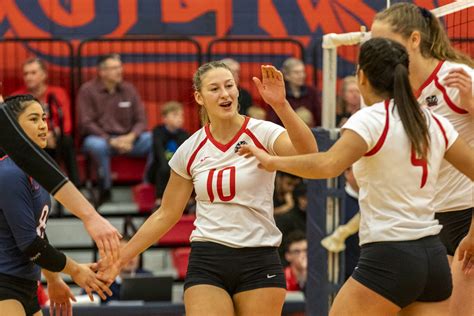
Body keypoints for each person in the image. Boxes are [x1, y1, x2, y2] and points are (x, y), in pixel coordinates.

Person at [239, 38, 474, 316]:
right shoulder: (433, 121)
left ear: (362, 76)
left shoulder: (370, 119)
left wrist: (271, 161)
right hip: (433, 259)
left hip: (389, 254)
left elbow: (328, 165)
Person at [97, 62, 317, 316]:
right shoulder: (189, 149)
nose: (225, 94)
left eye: (229, 86)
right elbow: (166, 214)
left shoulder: (262, 132)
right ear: (199, 98)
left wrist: (280, 105)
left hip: (259, 257)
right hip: (208, 257)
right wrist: (121, 258)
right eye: (215, 88)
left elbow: (309, 153)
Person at [370, 4, 473, 315]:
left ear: (414, 40)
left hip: (464, 216)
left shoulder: (458, 79)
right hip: (421, 222)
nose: (378, 50)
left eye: (385, 42)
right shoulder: (396, 91)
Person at [0, 95, 112, 316]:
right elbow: (30, 244)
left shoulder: (36, 172)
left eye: (44, 118)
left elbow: (38, 233)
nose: (43, 126)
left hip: (26, 283)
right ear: (11, 127)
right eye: (33, 119)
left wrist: (54, 278)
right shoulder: (10, 173)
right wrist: (75, 270)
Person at [77, 53, 152, 203]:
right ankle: (105, 189)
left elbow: (141, 120)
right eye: (114, 68)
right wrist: (110, 140)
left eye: (120, 67)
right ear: (102, 72)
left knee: (153, 138)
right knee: (96, 145)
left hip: (128, 139)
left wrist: (131, 137)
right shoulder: (87, 91)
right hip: (101, 139)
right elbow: (86, 123)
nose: (120, 71)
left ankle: (147, 185)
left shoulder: (129, 89)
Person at [13, 57, 80, 186]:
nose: (28, 77)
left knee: (67, 141)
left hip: (54, 140)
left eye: (33, 73)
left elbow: (66, 122)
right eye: (26, 73)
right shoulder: (17, 97)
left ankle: (75, 187)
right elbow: (13, 127)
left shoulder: (58, 93)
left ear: (44, 75)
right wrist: (39, 136)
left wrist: (50, 134)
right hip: (30, 141)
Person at [146, 101, 189, 204]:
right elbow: (159, 153)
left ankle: (188, 201)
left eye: (181, 115)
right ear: (164, 118)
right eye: (175, 115)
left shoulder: (185, 135)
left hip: (176, 168)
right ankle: (159, 199)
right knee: (164, 168)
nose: (179, 118)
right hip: (158, 169)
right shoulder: (158, 132)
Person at [268, 57, 321, 127]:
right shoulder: (279, 93)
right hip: (285, 132)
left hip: (311, 131)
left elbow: (319, 117)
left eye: (302, 72)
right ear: (287, 76)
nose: (301, 76)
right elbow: (272, 120)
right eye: (296, 72)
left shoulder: (312, 92)